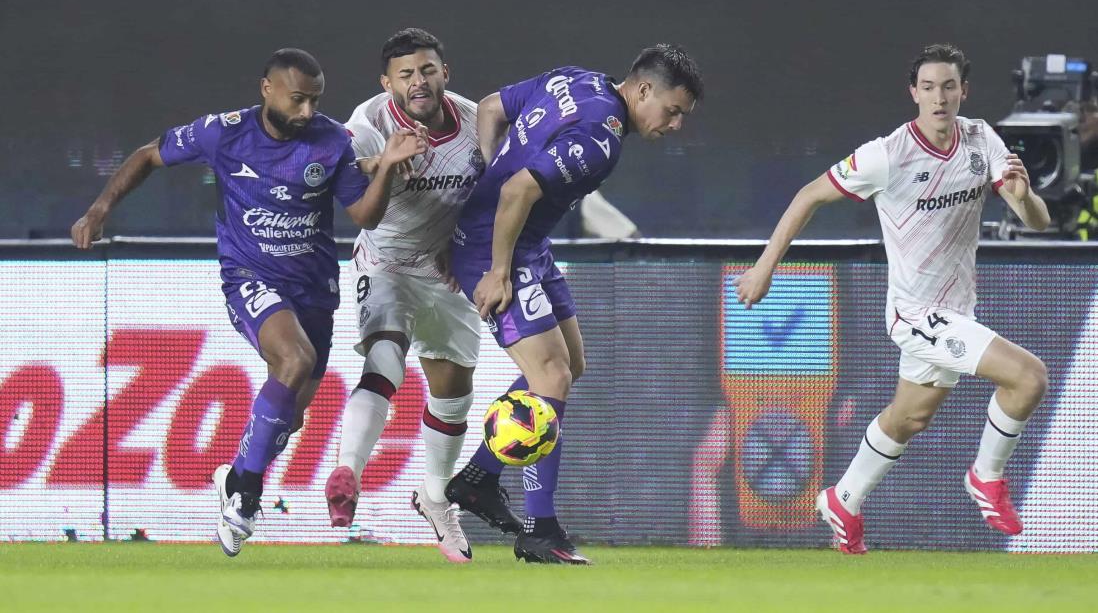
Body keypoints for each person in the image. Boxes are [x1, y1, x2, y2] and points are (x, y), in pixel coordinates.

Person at [70, 48, 426, 557]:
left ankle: (238, 473)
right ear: (268, 90)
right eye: (298, 100)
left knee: (292, 413)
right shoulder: (225, 132)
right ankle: (246, 493)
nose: (307, 111)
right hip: (250, 276)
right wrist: (99, 209)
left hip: (314, 289)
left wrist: (387, 167)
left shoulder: (330, 141)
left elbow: (365, 215)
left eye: (315, 101)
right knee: (294, 359)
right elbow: (150, 153)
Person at [735, 43, 1050, 554]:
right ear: (914, 94)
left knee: (909, 418)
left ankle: (843, 497)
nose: (939, 97)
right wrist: (764, 268)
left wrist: (1023, 195)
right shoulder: (887, 154)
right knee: (1028, 376)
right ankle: (986, 477)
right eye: (928, 88)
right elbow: (808, 195)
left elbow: (1037, 221)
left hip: (955, 310)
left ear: (963, 91)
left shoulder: (981, 138)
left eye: (949, 86)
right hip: (916, 315)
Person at [444, 44, 704, 564]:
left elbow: (492, 106)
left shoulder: (578, 78)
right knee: (551, 379)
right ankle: (540, 529)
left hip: (529, 246)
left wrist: (491, 176)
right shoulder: (600, 137)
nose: (675, 124)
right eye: (672, 111)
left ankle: (479, 478)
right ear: (644, 90)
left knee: (571, 365)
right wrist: (496, 269)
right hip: (500, 250)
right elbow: (518, 190)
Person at [324, 28, 484, 563]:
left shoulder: (476, 124)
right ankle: (348, 469)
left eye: (427, 70)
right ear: (387, 82)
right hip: (386, 261)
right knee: (384, 359)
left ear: (445, 72)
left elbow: (498, 192)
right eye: (406, 74)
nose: (418, 81)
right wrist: (386, 162)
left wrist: (466, 248)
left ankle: (435, 498)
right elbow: (347, 183)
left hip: (446, 269)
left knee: (454, 390)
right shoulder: (369, 123)